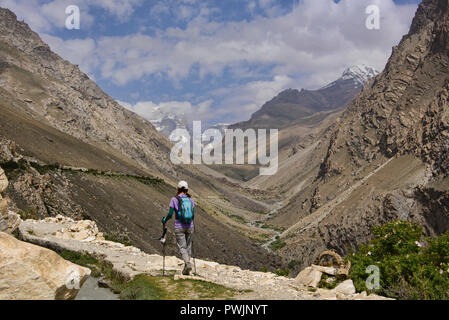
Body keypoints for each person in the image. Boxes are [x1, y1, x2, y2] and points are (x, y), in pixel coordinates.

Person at [162, 181, 195, 275]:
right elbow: (193, 215)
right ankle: (186, 269)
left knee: (182, 247)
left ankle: (187, 264)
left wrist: (165, 220)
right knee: (188, 246)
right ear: (187, 189)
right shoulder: (191, 200)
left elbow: (170, 214)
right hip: (190, 226)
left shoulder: (174, 199)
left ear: (178, 189)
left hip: (179, 226)